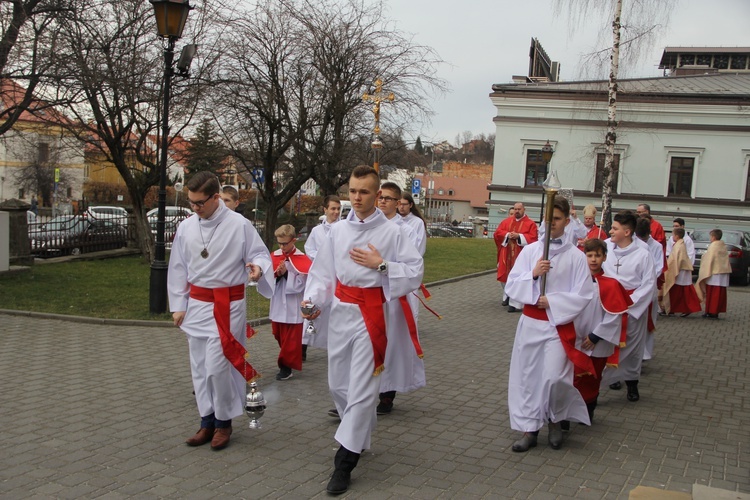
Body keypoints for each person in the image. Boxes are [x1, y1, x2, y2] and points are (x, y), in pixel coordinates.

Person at [301, 166, 424, 495]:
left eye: (365, 192)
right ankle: (358, 431)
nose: (357, 198)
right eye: (352, 191)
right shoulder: (336, 231)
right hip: (342, 314)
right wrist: (312, 300)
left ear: (377, 195)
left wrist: (382, 265)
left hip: (373, 316)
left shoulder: (394, 233)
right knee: (338, 385)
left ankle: (345, 462)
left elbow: (414, 272)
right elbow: (323, 273)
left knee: (362, 390)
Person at [168, 171, 273, 451]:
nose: (195, 208)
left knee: (217, 367)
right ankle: (207, 421)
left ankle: (224, 423)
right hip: (197, 306)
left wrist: (258, 267)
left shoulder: (239, 225)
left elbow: (260, 254)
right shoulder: (187, 227)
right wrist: (178, 305)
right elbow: (178, 267)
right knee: (200, 369)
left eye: (200, 202)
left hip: (228, 305)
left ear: (216, 197)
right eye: (191, 203)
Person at [506, 197, 594, 452]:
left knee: (555, 377)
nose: (552, 223)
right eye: (548, 219)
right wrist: (533, 275)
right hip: (531, 324)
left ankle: (556, 420)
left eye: (557, 219)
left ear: (567, 222)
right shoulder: (532, 251)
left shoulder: (576, 257)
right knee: (529, 377)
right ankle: (530, 427)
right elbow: (512, 284)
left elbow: (584, 294)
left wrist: (553, 301)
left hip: (557, 326)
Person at [376, 182, 426, 416]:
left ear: (398, 203)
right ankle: (359, 395)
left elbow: (413, 264)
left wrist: (384, 266)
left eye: (388, 198)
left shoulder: (404, 229)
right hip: (370, 295)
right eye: (381, 197)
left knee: (393, 345)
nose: (383, 201)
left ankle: (387, 394)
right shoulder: (369, 226)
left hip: (395, 294)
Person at [573, 238, 633, 424]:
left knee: (593, 377)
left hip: (597, 341)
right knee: (572, 378)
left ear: (605, 257)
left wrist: (595, 336)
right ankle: (568, 413)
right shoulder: (575, 281)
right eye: (589, 255)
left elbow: (614, 315)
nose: (593, 260)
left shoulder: (612, 284)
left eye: (597, 256)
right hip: (576, 339)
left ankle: (589, 411)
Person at [600, 211, 655, 403]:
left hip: (632, 307)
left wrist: (629, 306)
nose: (610, 231)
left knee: (632, 349)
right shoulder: (605, 247)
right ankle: (607, 381)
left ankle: (632, 384)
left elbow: (648, 284)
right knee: (606, 345)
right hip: (607, 306)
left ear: (627, 231)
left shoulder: (642, 254)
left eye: (615, 228)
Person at [268, 224, 311, 381]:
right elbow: (267, 279)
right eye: (279, 243)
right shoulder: (274, 255)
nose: (281, 246)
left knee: (291, 339)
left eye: (285, 243)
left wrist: (287, 274)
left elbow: (302, 282)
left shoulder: (302, 258)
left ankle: (285, 367)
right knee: (278, 334)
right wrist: (277, 274)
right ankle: (286, 362)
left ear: (293, 240)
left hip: (293, 303)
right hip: (278, 301)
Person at [302, 195, 341, 356]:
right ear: (325, 210)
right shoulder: (317, 231)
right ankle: (303, 345)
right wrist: (321, 257)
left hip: (337, 274)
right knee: (313, 305)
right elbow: (309, 248)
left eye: (338, 209)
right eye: (333, 208)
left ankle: (335, 344)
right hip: (321, 273)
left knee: (334, 310)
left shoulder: (343, 228)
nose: (336, 212)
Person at [494, 202, 538, 312]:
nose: (517, 211)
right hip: (507, 253)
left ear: (524, 210)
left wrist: (520, 236)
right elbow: (498, 233)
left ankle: (516, 302)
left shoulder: (530, 224)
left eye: (519, 209)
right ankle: (507, 296)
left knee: (519, 277)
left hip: (521, 255)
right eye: (515, 209)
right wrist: (508, 235)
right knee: (506, 275)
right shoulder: (506, 222)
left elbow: (534, 238)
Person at [634, 218, 664, 360]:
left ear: (649, 233)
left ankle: (645, 354)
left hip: (648, 288)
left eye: (644, 238)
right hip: (634, 289)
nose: (642, 240)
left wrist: (646, 279)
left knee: (648, 324)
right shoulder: (632, 243)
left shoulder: (656, 246)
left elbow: (658, 267)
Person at [662, 227, 702, 317]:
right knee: (677, 290)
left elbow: (678, 259)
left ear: (676, 236)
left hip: (680, 270)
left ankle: (684, 308)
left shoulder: (679, 246)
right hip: (680, 269)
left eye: (673, 235)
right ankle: (672, 308)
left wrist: (672, 267)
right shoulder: (679, 244)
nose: (672, 237)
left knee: (680, 290)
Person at [694, 229, 732, 319]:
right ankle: (715, 311)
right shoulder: (723, 245)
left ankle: (711, 311)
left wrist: (704, 257)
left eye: (710, 237)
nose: (710, 238)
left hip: (715, 272)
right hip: (723, 271)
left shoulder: (713, 246)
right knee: (719, 293)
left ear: (713, 237)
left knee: (713, 292)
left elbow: (709, 258)